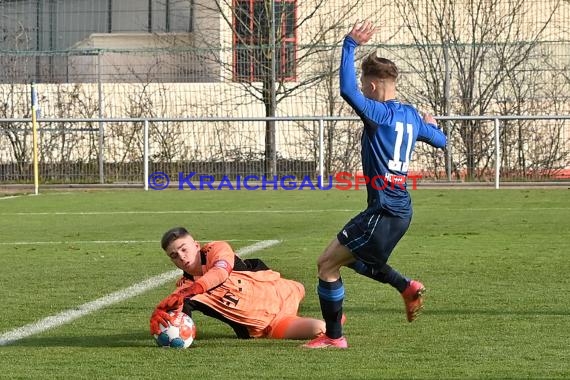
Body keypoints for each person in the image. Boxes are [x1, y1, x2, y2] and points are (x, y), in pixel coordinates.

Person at [302, 20, 447, 349]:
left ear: (370, 86)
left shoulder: (377, 113)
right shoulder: (410, 115)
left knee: (327, 265)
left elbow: (346, 91)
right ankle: (406, 287)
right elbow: (441, 141)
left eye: (364, 86)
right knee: (351, 259)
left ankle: (334, 338)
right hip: (399, 210)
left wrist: (349, 44)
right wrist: (432, 124)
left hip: (383, 210)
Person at [149, 227, 327, 340]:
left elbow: (220, 272)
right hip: (268, 325)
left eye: (183, 249)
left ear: (196, 245)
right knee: (319, 328)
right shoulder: (184, 289)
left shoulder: (216, 249)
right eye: (174, 255)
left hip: (281, 290)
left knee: (301, 288)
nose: (181, 257)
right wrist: (168, 321)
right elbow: (181, 317)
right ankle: (332, 322)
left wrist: (192, 290)